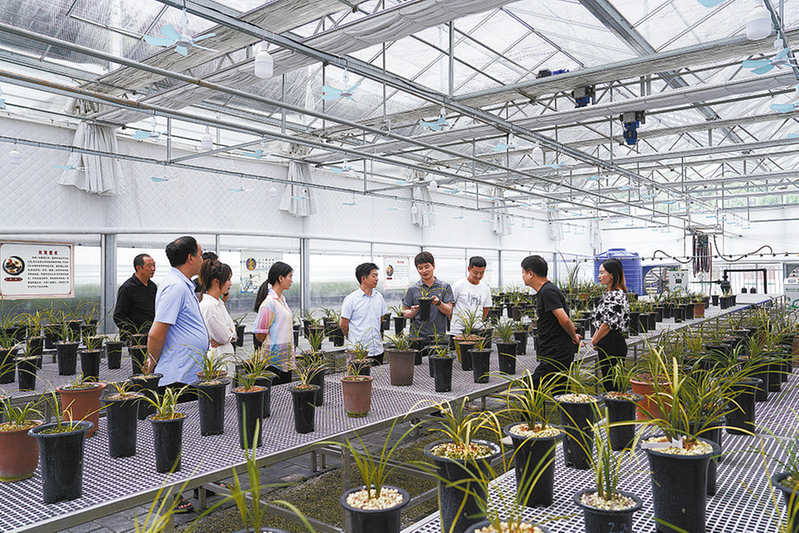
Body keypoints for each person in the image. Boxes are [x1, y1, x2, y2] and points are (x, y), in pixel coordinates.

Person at [146, 236, 209, 386]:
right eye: (200, 255)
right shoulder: (175, 287)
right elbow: (156, 333)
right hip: (178, 378)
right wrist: (152, 363)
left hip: (187, 374)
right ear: (190, 258)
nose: (202, 260)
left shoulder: (182, 284)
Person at [521, 255, 581, 392]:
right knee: (559, 391)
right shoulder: (546, 290)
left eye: (523, 272)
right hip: (554, 349)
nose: (522, 276)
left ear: (531, 274)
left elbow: (564, 319)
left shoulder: (547, 291)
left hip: (557, 351)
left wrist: (573, 336)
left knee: (532, 386)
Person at [591, 258, 630, 391]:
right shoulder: (609, 293)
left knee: (612, 383)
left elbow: (607, 324)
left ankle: (616, 404)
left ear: (612, 275)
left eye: (602, 273)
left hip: (612, 342)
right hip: (607, 341)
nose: (599, 276)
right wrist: (596, 338)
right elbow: (602, 321)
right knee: (609, 381)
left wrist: (595, 340)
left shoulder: (616, 295)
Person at [253, 261, 295, 384]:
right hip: (273, 361)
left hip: (285, 359)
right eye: (290, 276)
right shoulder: (269, 302)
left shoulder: (281, 299)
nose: (291, 280)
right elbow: (259, 334)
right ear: (280, 278)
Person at [340, 262, 388, 364]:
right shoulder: (351, 299)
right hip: (358, 352)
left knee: (379, 374)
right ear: (363, 279)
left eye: (377, 276)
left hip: (377, 350)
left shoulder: (379, 297)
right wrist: (354, 339)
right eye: (373, 276)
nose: (377, 279)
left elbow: (380, 319)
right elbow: (343, 325)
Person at [402, 252, 454, 339]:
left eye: (427, 267)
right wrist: (412, 312)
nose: (424, 271)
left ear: (433, 266)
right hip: (417, 337)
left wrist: (439, 303)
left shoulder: (444, 287)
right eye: (420, 268)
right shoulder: (412, 289)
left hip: (438, 337)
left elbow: (449, 311)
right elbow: (405, 313)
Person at [198, 259, 237, 371]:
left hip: (225, 361)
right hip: (218, 364)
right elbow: (224, 337)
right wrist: (229, 334)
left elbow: (233, 333)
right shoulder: (208, 306)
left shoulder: (219, 303)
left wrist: (230, 333)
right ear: (216, 281)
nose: (231, 283)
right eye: (228, 279)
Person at [113, 253, 157, 343]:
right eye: (149, 266)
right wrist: (132, 333)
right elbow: (119, 316)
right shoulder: (127, 288)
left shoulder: (152, 286)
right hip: (135, 338)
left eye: (154, 265)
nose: (153, 269)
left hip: (151, 335)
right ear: (138, 268)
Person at [450, 256, 492, 335]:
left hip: (477, 331)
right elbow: (450, 307)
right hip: (458, 332)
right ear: (469, 269)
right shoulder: (458, 285)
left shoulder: (485, 289)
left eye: (481, 273)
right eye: (475, 272)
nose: (478, 276)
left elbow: (486, 309)